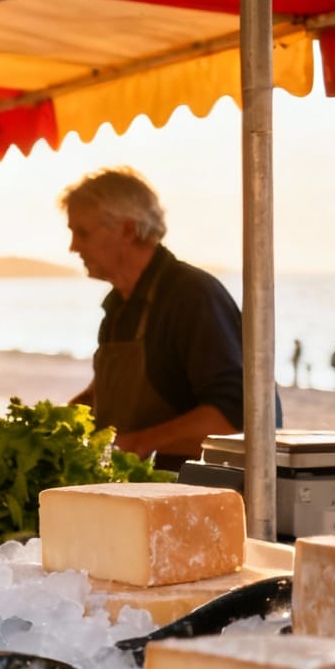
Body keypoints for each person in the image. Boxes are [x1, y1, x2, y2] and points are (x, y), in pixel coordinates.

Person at [62, 167, 248, 464]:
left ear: (127, 229)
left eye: (82, 232)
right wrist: (52, 426)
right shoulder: (118, 306)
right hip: (131, 495)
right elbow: (105, 396)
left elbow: (235, 420)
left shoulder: (193, 296)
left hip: (190, 498)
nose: (73, 247)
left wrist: (134, 445)